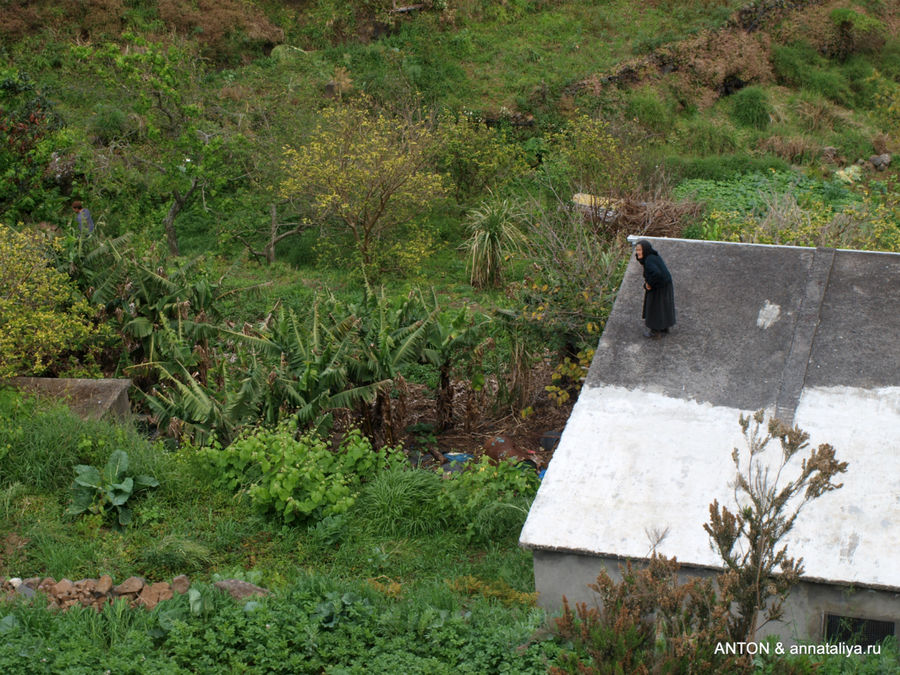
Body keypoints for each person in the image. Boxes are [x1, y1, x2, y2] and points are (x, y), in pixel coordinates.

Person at [634, 239, 675, 338]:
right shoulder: (652, 256)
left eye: (639, 250)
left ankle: (655, 331)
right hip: (666, 284)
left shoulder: (649, 260)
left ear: (645, 250)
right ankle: (664, 328)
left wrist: (649, 284)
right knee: (663, 306)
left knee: (654, 307)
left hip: (659, 285)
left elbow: (656, 273)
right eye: (636, 250)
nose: (637, 252)